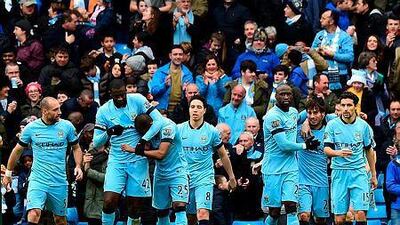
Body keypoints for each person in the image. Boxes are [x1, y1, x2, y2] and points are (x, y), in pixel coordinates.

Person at [2, 96, 84, 225]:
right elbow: (17, 150)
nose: (60, 112)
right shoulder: (31, 128)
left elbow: (76, 147)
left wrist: (78, 165)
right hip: (38, 179)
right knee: (34, 213)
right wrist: (8, 173)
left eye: (60, 109)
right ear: (44, 111)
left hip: (59, 180)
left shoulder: (67, 126)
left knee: (60, 220)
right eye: (55, 109)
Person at [93, 79, 164, 225]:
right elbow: (96, 142)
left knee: (135, 207)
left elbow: (159, 121)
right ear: (110, 94)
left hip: (137, 159)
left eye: (122, 94)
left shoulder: (137, 100)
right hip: (117, 160)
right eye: (116, 96)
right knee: (109, 201)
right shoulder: (104, 111)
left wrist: (143, 140)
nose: (120, 98)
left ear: (126, 91)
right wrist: (109, 132)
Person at [261, 84, 319, 225]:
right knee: (274, 212)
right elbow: (284, 145)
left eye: (288, 94)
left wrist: (306, 121)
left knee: (292, 207)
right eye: (282, 94)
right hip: (273, 169)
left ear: (292, 96)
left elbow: (300, 117)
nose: (286, 97)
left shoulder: (293, 112)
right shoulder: (272, 117)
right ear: (276, 97)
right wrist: (305, 145)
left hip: (291, 168)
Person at [177, 95, 236, 225]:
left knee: (203, 212)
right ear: (189, 109)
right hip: (184, 177)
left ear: (204, 110)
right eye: (192, 107)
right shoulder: (179, 130)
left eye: (199, 107)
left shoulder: (212, 131)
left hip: (204, 177)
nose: (195, 110)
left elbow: (223, 155)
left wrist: (231, 177)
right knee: (190, 217)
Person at [122, 114, 189, 225]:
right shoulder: (147, 131)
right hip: (161, 173)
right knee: (162, 211)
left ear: (151, 125)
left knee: (179, 206)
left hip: (178, 171)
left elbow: (161, 154)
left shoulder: (168, 126)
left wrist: (135, 150)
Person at [324, 92, 377, 225]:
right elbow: (326, 149)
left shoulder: (363, 126)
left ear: (355, 106)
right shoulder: (332, 125)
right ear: (339, 107)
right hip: (339, 173)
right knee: (340, 219)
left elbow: (369, 150)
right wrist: (338, 153)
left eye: (349, 105)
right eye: (343, 105)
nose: (346, 108)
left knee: (360, 214)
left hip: (358, 172)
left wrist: (373, 175)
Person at [297, 96, 330, 225]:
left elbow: (338, 116)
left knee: (320, 220)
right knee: (304, 216)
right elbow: (291, 117)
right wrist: (304, 120)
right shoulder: (299, 129)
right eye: (309, 113)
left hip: (321, 181)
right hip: (302, 181)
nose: (312, 116)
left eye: (315, 112)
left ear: (323, 114)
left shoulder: (330, 130)